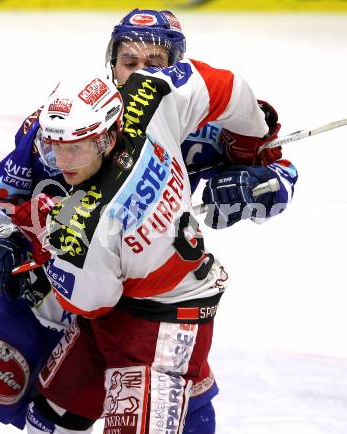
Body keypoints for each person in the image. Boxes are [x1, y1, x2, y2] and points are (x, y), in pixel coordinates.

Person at [0, 9, 297, 434]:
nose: (139, 74)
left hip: (134, 302)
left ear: (174, 67)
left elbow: (278, 172)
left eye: (154, 64)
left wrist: (257, 185)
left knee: (183, 403)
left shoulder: (192, 124)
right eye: (130, 63)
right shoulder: (64, 127)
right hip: (40, 297)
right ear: (112, 63)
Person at [21, 55, 286, 434]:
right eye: (55, 146)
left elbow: (91, 303)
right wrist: (251, 144)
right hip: (134, 302)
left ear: (108, 135)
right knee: (53, 414)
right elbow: (226, 87)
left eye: (76, 147)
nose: (62, 161)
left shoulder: (81, 225)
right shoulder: (150, 93)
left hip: (164, 320)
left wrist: (45, 242)